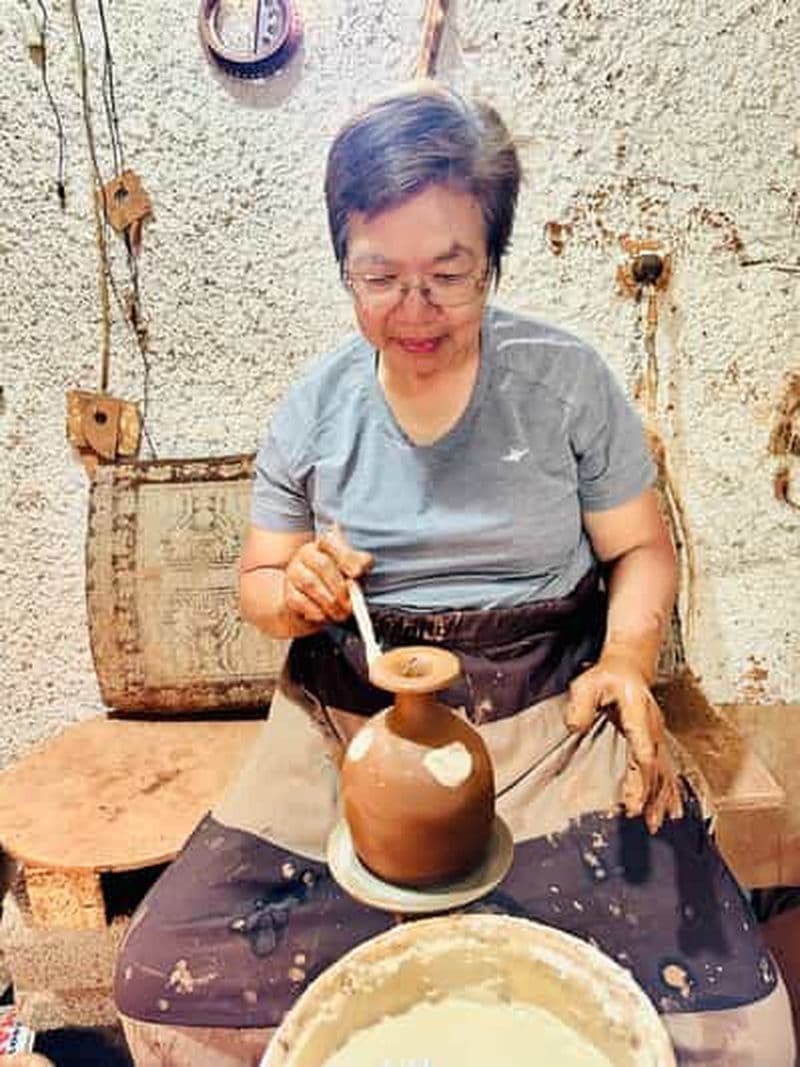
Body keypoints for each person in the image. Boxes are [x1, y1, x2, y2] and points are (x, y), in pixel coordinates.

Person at [114, 83, 795, 1066]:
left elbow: (640, 549)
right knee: (163, 982)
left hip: (550, 714)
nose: (414, 309)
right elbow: (258, 584)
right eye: (378, 276)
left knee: (735, 1023)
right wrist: (292, 588)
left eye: (449, 273)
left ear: (492, 261)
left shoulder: (564, 381)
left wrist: (628, 661)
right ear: (341, 261)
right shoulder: (316, 410)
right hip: (351, 715)